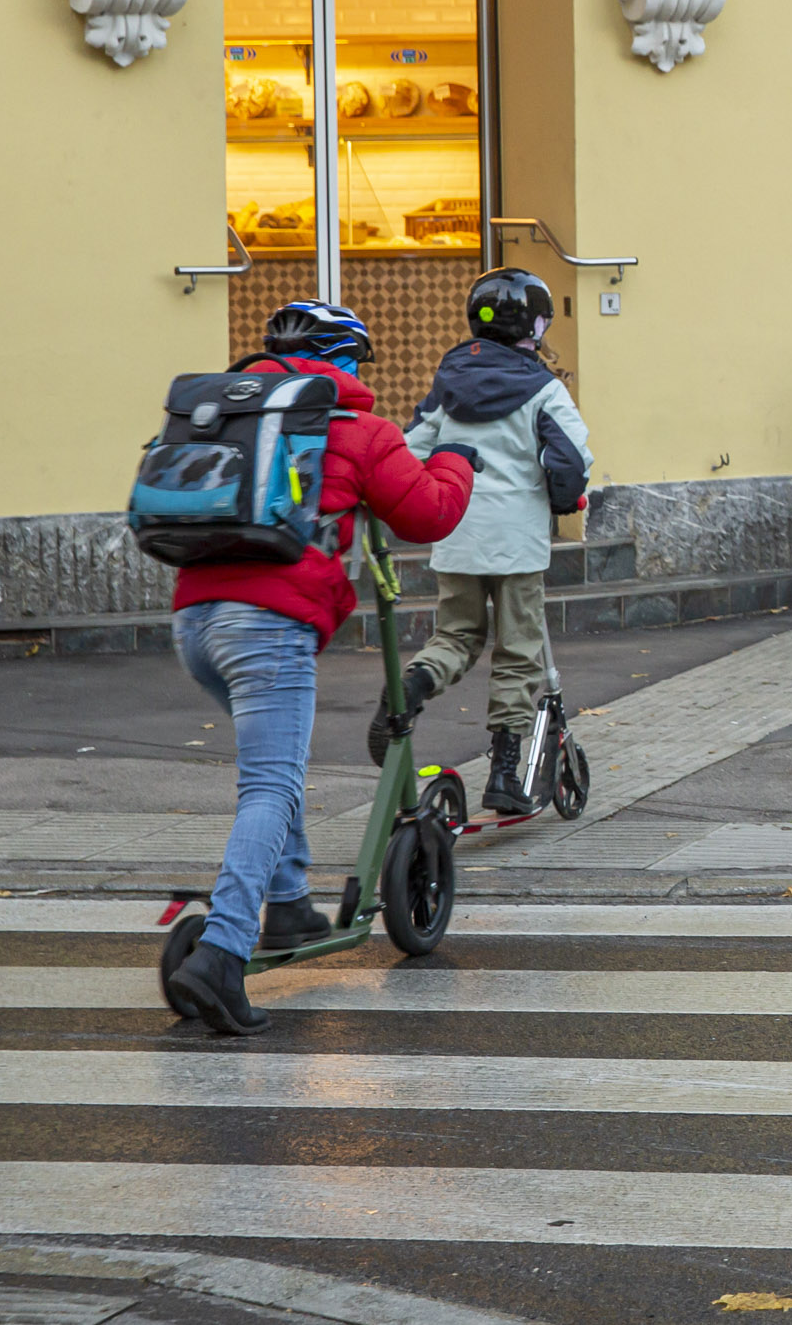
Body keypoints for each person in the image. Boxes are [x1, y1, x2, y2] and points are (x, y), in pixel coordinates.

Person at [169, 300, 476, 1036]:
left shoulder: (228, 413)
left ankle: (288, 906)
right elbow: (428, 514)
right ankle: (222, 951)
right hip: (267, 624)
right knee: (270, 785)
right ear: (345, 360)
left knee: (273, 766)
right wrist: (457, 461)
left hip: (193, 617)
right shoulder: (357, 428)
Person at [376, 269, 595, 814]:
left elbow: (409, 447)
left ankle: (412, 687)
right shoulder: (544, 388)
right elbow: (571, 458)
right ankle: (502, 772)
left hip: (455, 531)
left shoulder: (448, 383)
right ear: (536, 326)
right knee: (518, 652)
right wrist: (565, 496)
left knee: (455, 637)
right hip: (516, 543)